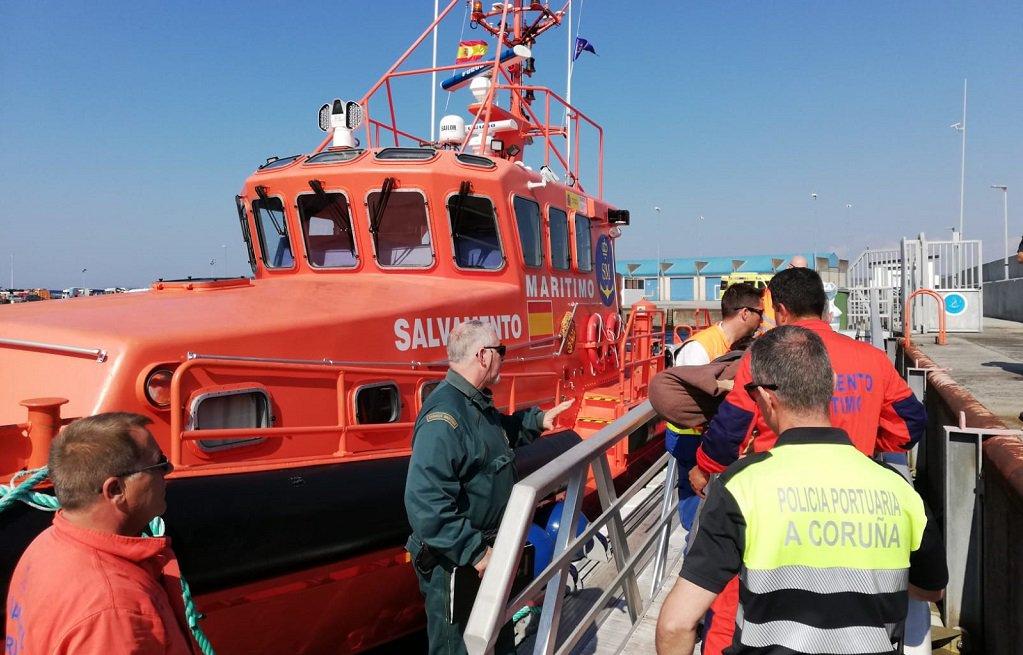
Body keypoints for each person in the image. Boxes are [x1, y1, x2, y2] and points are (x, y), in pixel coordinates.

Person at [656, 326, 947, 655]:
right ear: (832, 387)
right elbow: (931, 590)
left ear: (766, 398)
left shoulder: (740, 488)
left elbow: (676, 624)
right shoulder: (900, 492)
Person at [404, 320, 574, 655]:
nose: (503, 357)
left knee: (497, 635)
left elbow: (496, 437)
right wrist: (477, 553)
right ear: (483, 356)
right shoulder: (445, 417)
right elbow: (425, 501)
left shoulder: (474, 404)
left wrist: (537, 421)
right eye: (501, 351)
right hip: (456, 562)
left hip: (484, 552)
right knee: (456, 647)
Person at [5, 412, 195, 655]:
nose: (168, 471)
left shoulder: (44, 547)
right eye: (159, 464)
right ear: (116, 489)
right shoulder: (114, 612)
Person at [672, 282, 764, 366]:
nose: (762, 320)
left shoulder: (742, 346)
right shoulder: (698, 349)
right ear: (745, 313)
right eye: (760, 313)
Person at [759, 253, 807, 332]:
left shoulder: (805, 294)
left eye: (804, 271)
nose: (800, 274)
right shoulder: (773, 288)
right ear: (789, 267)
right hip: (768, 337)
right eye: (796, 270)